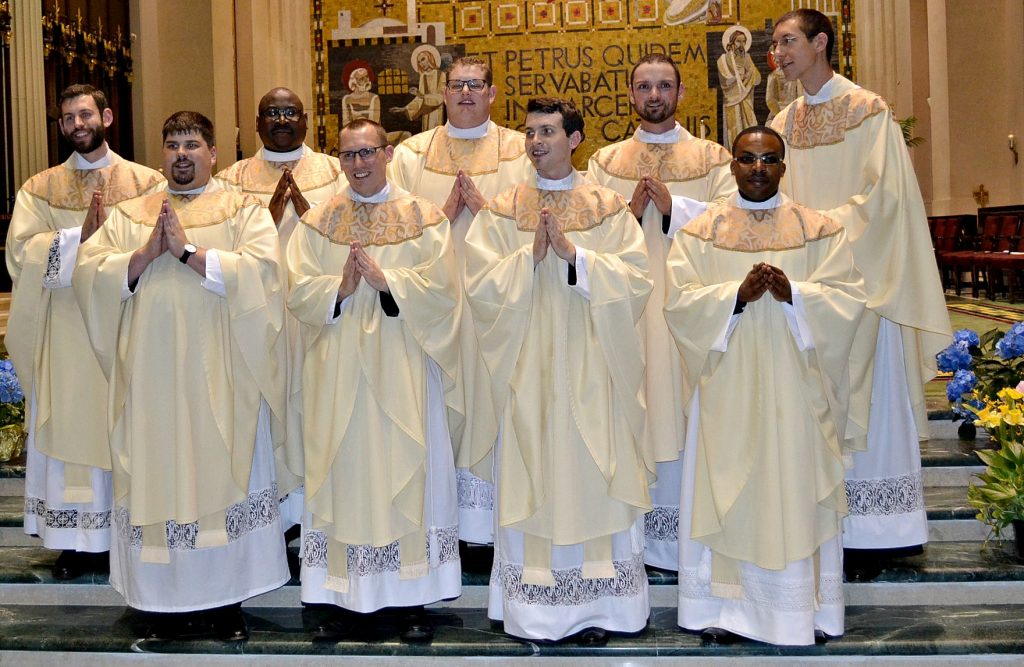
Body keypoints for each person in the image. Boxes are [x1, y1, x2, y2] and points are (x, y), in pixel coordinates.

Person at [73, 111, 289, 641]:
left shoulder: (244, 210)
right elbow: (89, 274)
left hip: (223, 372)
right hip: (149, 378)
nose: (181, 154)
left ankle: (223, 602)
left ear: (213, 153)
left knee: (221, 471)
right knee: (155, 468)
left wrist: (189, 253)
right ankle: (155, 602)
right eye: (171, 145)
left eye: (192, 144)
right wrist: (147, 252)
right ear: (161, 153)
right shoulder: (130, 215)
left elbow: (265, 274)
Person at [664, 126, 866, 645]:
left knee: (795, 486)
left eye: (769, 160)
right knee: (726, 490)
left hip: (797, 394)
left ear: (784, 166)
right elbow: (680, 301)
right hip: (727, 391)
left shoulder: (819, 230)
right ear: (731, 165)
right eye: (748, 159)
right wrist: (736, 295)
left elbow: (848, 299)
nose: (758, 168)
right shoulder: (701, 232)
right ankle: (725, 611)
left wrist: (795, 292)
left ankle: (803, 610)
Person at [769, 9, 952, 578]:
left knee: (870, 406)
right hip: (806, 290)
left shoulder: (870, 113)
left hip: (862, 285)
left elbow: (886, 201)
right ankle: (827, 526)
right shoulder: (783, 121)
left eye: (789, 41)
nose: (779, 52)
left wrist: (818, 229)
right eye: (775, 43)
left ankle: (880, 532)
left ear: (821, 42)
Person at [465, 98, 653, 644]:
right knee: (535, 469)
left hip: (594, 365)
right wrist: (527, 259)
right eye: (529, 132)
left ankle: (604, 608)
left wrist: (577, 258)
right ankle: (538, 612)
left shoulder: (606, 206)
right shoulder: (502, 210)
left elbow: (637, 280)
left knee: (596, 470)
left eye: (548, 131)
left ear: (575, 140)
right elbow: (478, 284)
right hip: (529, 367)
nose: (535, 141)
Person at [287, 118, 462, 644]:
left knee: (406, 475)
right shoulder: (318, 222)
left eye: (368, 153)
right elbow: (296, 290)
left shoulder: (425, 218)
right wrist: (337, 289)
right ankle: (339, 599)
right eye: (348, 155)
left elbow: (445, 290)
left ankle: (412, 598)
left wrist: (391, 283)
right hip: (338, 373)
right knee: (343, 474)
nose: (359, 165)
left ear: (388, 153)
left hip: (404, 370)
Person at [5, 84, 164, 581]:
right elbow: (20, 254)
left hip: (124, 322)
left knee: (125, 424)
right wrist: (79, 239)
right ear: (60, 126)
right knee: (75, 426)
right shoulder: (40, 188)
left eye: (86, 114)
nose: (77, 123)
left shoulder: (147, 182)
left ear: (108, 117)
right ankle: (77, 542)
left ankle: (128, 533)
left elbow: (162, 241)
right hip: (68, 331)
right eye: (68, 117)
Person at [586, 53, 735, 572]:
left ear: (680, 93)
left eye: (664, 86)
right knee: (636, 407)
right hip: (625, 308)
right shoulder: (605, 163)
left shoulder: (713, 159)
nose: (654, 95)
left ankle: (682, 542)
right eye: (644, 86)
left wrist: (674, 209)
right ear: (630, 94)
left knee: (683, 411)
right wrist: (625, 218)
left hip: (688, 303)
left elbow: (731, 221)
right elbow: (588, 230)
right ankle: (638, 543)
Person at [389, 55, 533, 556]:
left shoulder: (522, 149)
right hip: (435, 306)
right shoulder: (410, 155)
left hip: (503, 303)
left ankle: (495, 523)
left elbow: (543, 215)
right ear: (443, 92)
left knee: (497, 400)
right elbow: (394, 226)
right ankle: (447, 521)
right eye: (457, 85)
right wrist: (442, 217)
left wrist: (489, 215)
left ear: (493, 92)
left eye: (476, 84)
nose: (466, 93)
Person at [216, 87, 345, 528]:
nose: (282, 119)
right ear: (257, 124)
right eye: (272, 113)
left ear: (306, 121)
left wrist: (309, 215)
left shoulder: (336, 171)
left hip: (320, 316)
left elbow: (358, 228)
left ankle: (315, 518)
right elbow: (219, 248)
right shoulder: (230, 181)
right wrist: (266, 219)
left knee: (316, 408)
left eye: (291, 112)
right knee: (268, 410)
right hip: (259, 317)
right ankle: (275, 520)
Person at [717, 26, 761, 149]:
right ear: (731, 42)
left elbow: (757, 79)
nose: (741, 44)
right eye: (738, 41)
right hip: (732, 100)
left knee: (749, 125)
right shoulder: (723, 60)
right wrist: (739, 77)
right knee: (734, 129)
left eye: (743, 41)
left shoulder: (747, 58)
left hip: (746, 98)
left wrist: (748, 75)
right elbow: (725, 79)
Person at [389, 45, 446, 132]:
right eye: (419, 62)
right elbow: (419, 99)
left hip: (437, 112)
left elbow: (441, 97)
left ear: (430, 58)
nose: (421, 63)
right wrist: (404, 108)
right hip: (426, 112)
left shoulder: (441, 75)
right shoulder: (423, 76)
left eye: (423, 59)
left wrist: (421, 95)